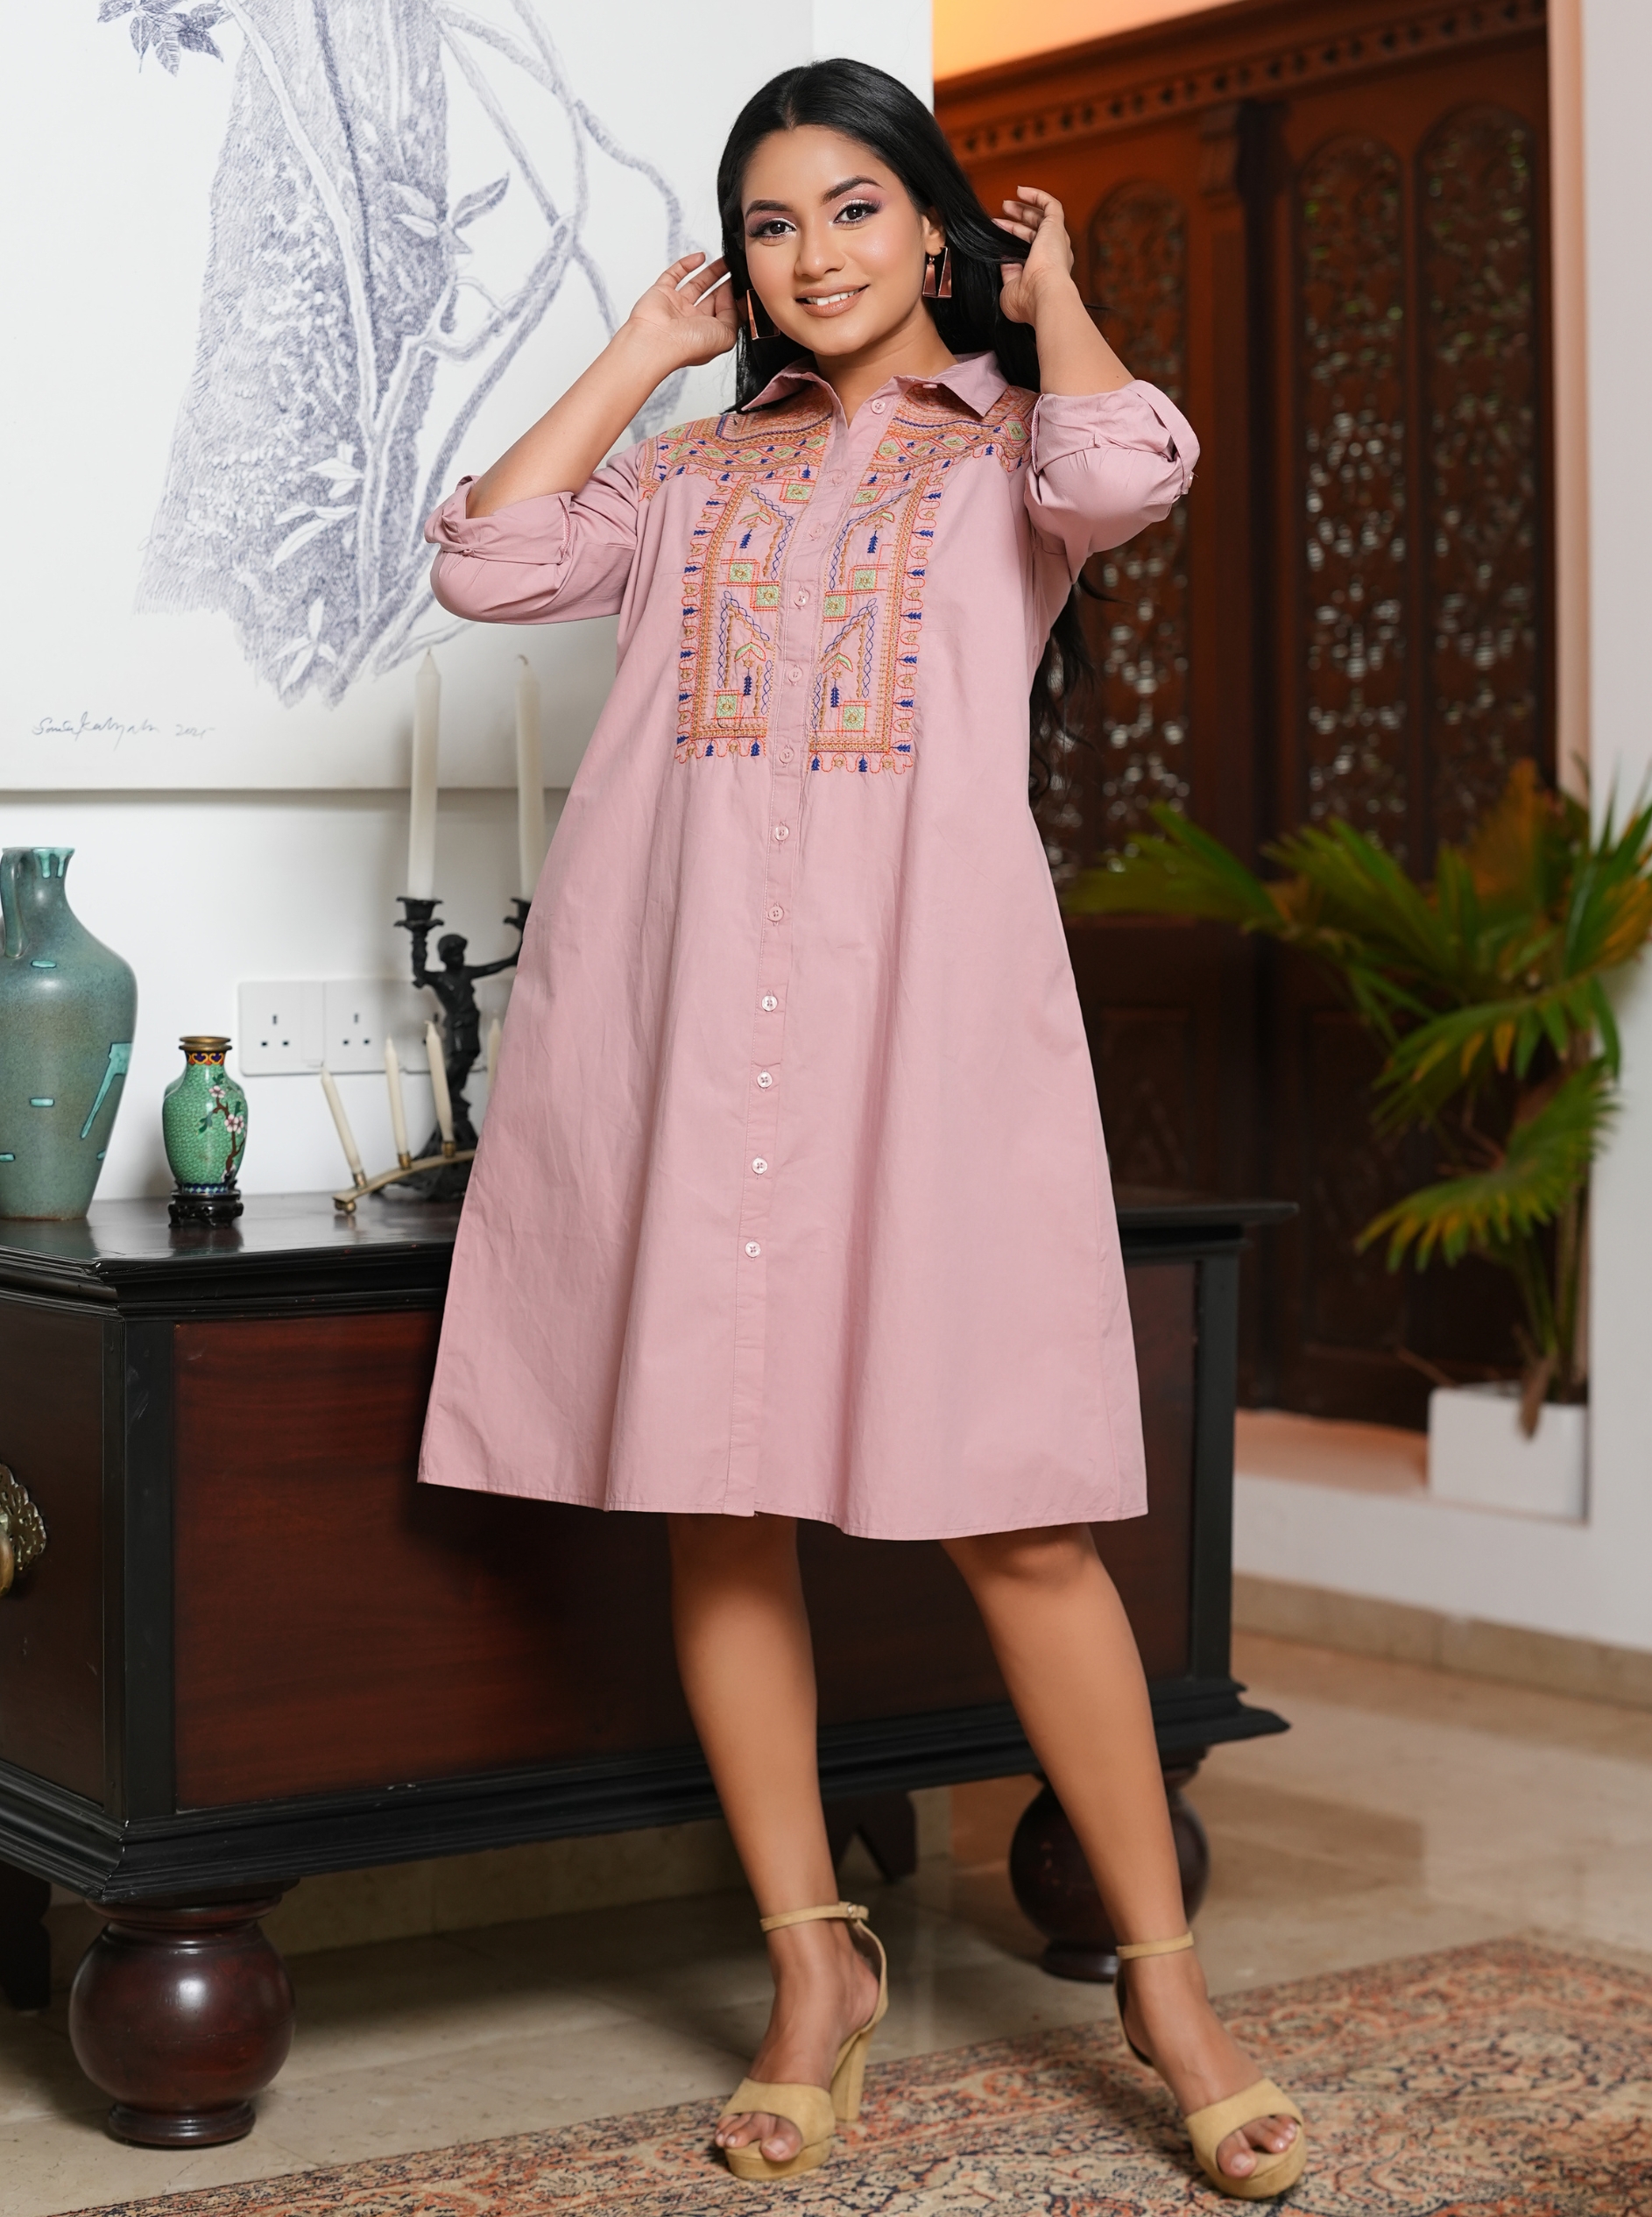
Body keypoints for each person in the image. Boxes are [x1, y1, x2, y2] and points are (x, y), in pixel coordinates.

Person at [417, 57, 1306, 2201]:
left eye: (851, 208)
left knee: (1015, 1515)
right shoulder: (684, 479)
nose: (810, 254)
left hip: (923, 1046)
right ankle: (812, 1973)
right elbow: (488, 563)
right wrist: (639, 351)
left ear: (930, 226)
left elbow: (1125, 465)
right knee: (719, 1500)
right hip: (684, 1043)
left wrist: (1051, 290)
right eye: (770, 223)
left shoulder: (1009, 453)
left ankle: (1168, 1995)